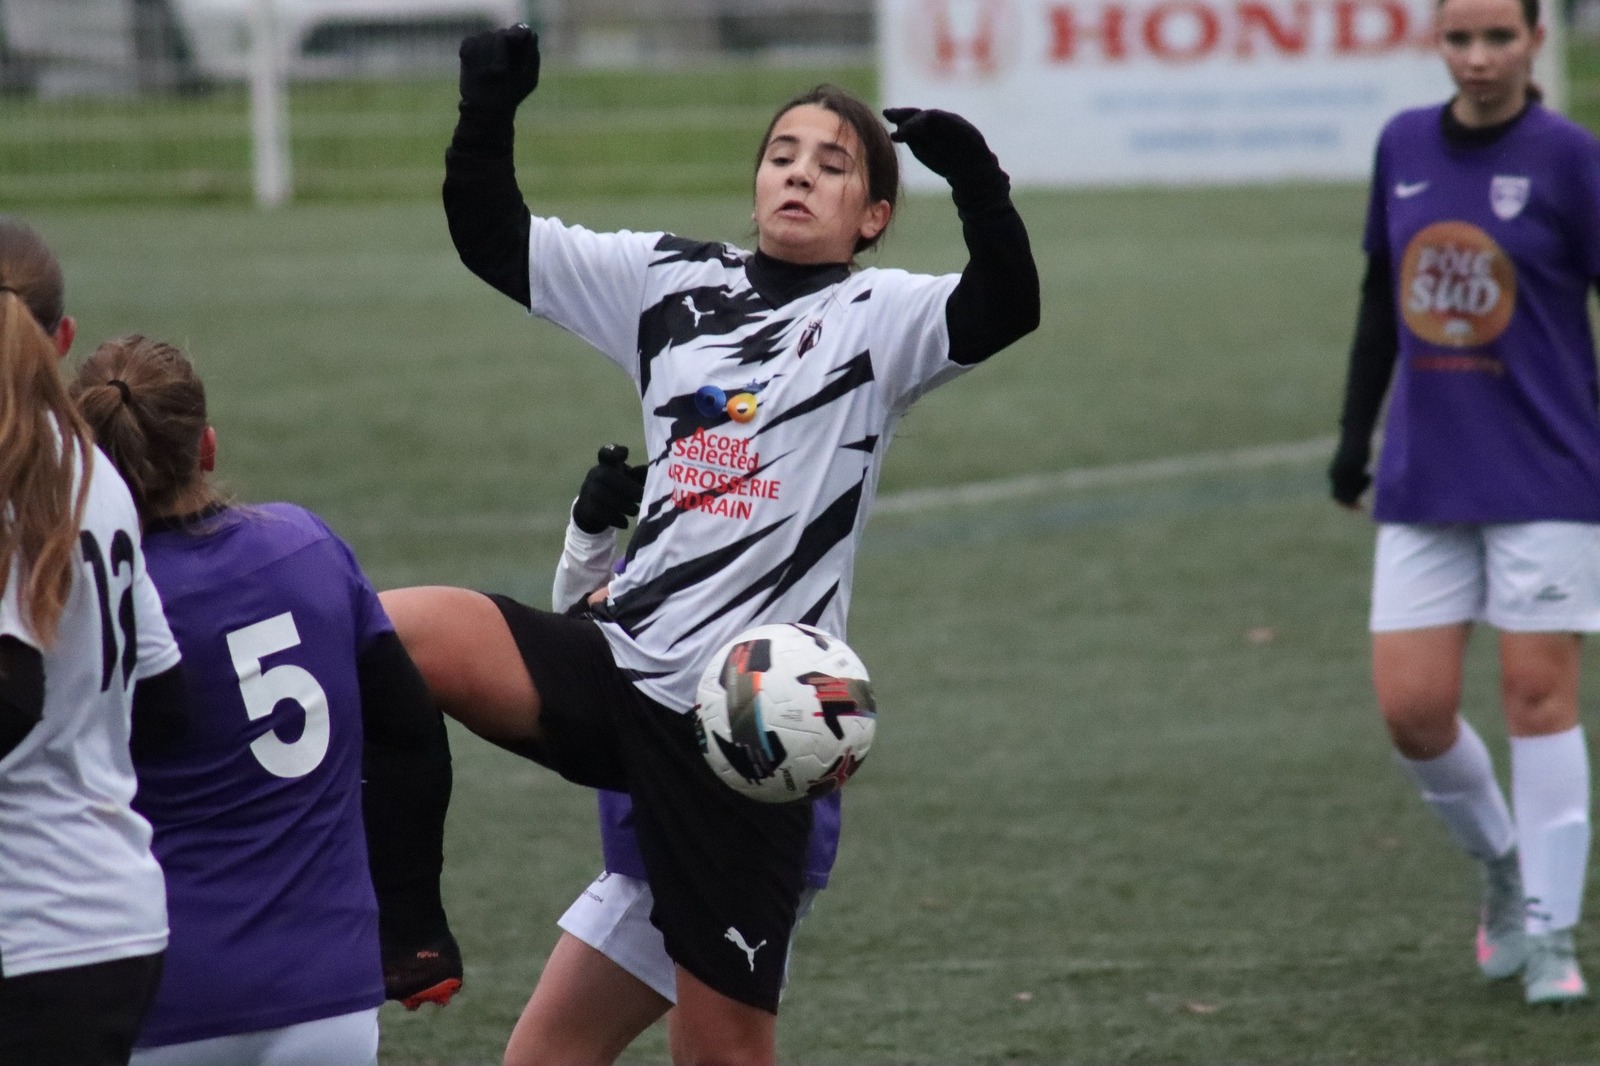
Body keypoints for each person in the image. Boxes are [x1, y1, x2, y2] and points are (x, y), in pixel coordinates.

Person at [382, 24, 1038, 1064]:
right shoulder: (666, 279)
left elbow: (1005, 306)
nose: (799, 173)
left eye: (833, 166)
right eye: (783, 154)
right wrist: (486, 109)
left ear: (872, 215)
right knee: (390, 636)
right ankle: (408, 922)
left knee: (715, 1053)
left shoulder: (883, 316)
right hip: (616, 666)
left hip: (741, 729)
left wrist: (977, 185)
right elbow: (494, 237)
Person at [68, 335, 459, 1065]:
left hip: (161, 993)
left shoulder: (92, 601)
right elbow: (411, 734)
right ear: (206, 447)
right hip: (331, 997)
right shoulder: (307, 545)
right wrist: (414, 922)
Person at [1329, 0, 1600, 1007]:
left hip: (1548, 469)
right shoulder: (1402, 143)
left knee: (1537, 695)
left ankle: (1553, 934)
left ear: (1535, 41)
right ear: (1437, 42)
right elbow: (1378, 296)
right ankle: (1503, 869)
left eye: (1498, 37)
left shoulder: (1571, 157)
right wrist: (1354, 436)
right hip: (1426, 469)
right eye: (1459, 38)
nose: (1478, 58)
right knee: (1412, 711)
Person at [513, 444, 844, 1064]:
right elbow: (590, 650)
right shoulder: (684, 540)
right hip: (678, 836)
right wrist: (589, 536)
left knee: (549, 1053)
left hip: (714, 836)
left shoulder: (752, 560)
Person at [0, 218, 185, 1066]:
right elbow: (165, 696)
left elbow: (13, 694)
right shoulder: (91, 470)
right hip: (113, 916)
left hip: (25, 931)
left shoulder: (20, 473)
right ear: (63, 336)